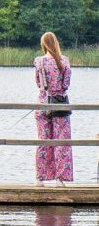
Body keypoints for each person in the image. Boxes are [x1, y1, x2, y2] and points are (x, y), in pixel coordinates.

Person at [34, 31, 73, 186]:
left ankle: (40, 179)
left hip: (43, 102)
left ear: (43, 44)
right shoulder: (64, 60)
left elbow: (38, 83)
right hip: (59, 104)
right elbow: (66, 84)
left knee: (43, 141)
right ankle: (60, 179)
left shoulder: (39, 61)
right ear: (56, 43)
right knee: (62, 141)